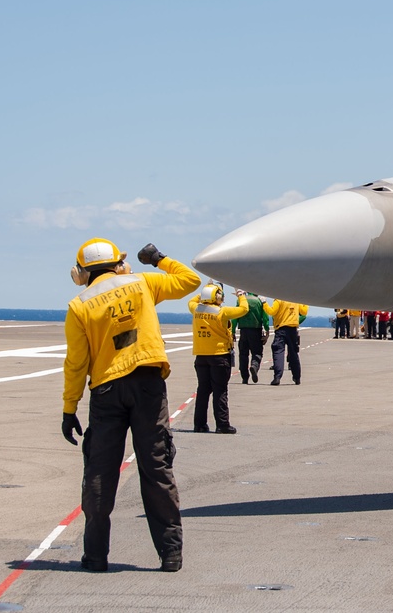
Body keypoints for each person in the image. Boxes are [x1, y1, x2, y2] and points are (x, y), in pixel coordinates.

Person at [61, 239, 199, 573]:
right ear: (119, 263)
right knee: (156, 468)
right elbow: (190, 282)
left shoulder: (79, 304)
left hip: (107, 391)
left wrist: (69, 409)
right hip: (147, 385)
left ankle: (95, 557)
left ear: (81, 273)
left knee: (100, 472)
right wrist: (158, 259)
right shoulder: (142, 283)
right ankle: (170, 554)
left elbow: (76, 363)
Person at [189, 283, 248, 433]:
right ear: (217, 297)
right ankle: (222, 425)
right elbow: (244, 309)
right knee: (220, 390)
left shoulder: (196, 309)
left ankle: (199, 424)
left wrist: (206, 289)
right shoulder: (222, 311)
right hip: (219, 355)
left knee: (203, 390)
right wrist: (241, 295)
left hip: (201, 355)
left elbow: (191, 301)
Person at [265, 298, 309, 385]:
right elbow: (304, 312)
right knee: (294, 353)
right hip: (293, 330)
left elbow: (272, 312)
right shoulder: (295, 299)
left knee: (278, 352)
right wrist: (306, 301)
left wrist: (264, 303)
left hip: (281, 329)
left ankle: (277, 377)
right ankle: (297, 378)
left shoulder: (279, 300)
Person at [231, 291, 269, 384]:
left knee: (243, 355)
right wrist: (267, 331)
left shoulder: (241, 300)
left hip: (243, 331)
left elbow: (235, 316)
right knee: (257, 352)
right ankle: (254, 366)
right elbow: (265, 318)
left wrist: (232, 331)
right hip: (256, 331)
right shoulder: (259, 301)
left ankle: (244, 377)